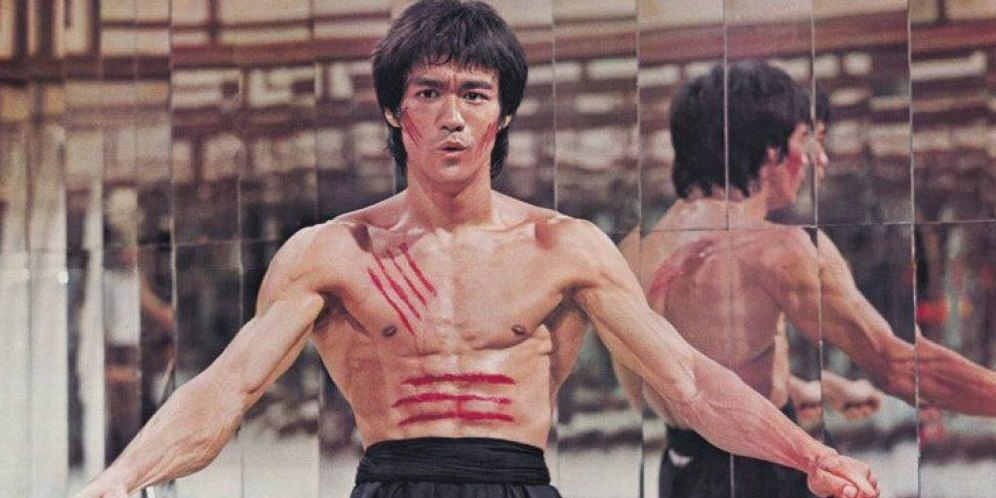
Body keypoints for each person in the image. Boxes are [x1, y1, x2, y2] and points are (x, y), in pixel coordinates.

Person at [74, 3, 881, 498]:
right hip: (391, 483)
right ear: (394, 112)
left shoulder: (565, 248)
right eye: (428, 93)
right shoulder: (331, 254)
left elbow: (691, 382)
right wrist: (118, 479)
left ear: (503, 114)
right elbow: (228, 387)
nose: (452, 117)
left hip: (517, 482)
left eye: (474, 94)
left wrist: (808, 454)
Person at [614, 60, 996, 498]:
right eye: (806, 139)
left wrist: (808, 388)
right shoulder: (779, 248)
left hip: (682, 473)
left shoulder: (631, 252)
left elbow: (677, 380)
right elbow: (899, 366)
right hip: (767, 472)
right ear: (770, 149)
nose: (820, 159)